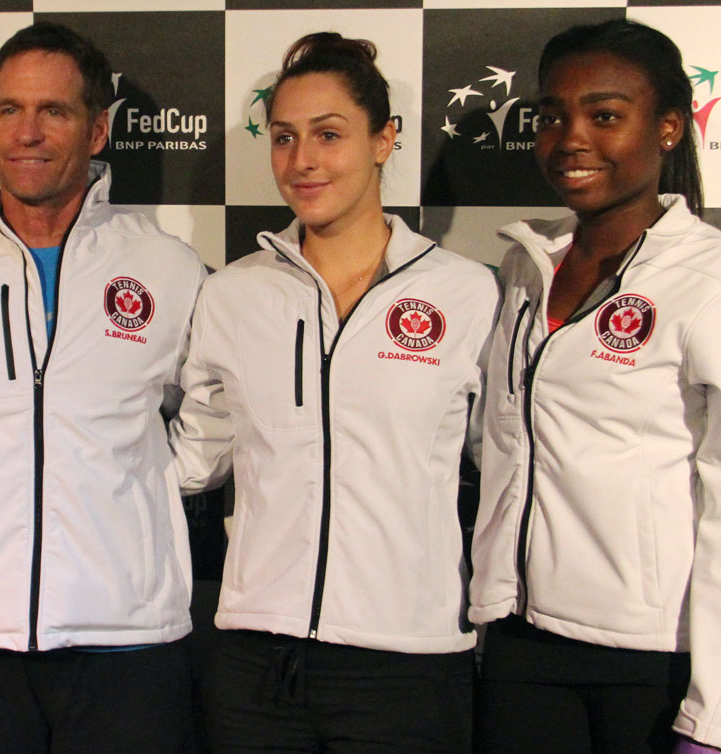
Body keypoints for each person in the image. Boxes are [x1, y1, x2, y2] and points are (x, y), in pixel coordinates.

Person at [0, 21, 207, 754]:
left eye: (53, 110)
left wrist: (146, 486)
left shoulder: (168, 268)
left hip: (128, 639)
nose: (27, 132)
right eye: (9, 110)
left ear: (97, 130)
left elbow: (217, 411)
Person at [167, 32, 498, 753]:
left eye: (328, 134)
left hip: (409, 664)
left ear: (384, 140)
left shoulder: (468, 293)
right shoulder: (232, 294)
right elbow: (193, 458)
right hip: (256, 662)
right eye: (284, 137)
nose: (302, 161)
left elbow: (508, 467)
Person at [468, 19, 720, 754]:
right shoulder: (526, 263)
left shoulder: (707, 278)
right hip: (517, 641)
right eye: (552, 117)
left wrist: (711, 712)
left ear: (668, 128)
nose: (570, 139)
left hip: (649, 662)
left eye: (604, 116)